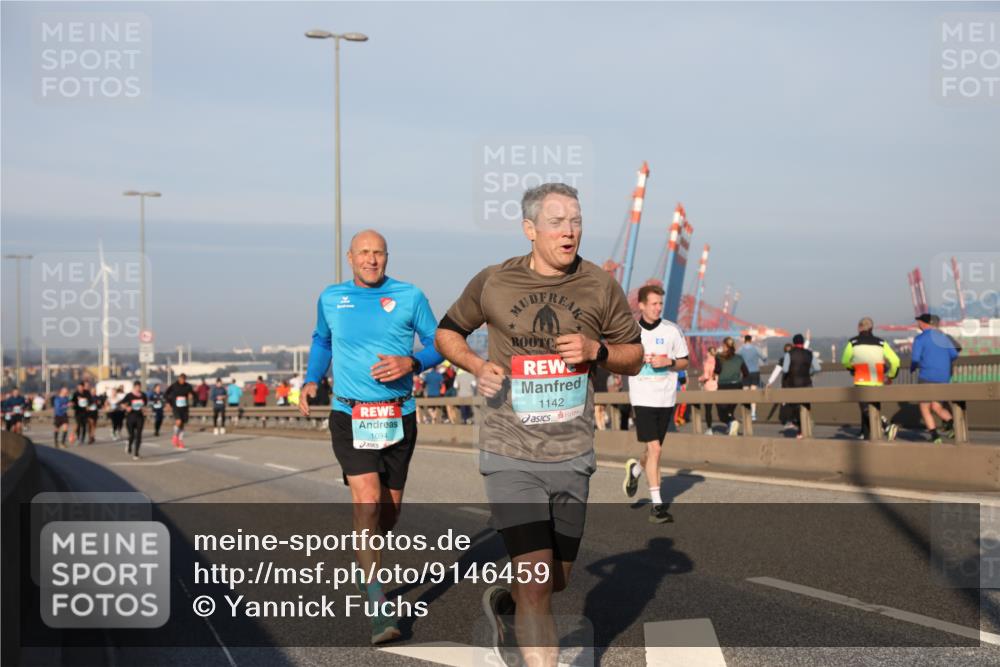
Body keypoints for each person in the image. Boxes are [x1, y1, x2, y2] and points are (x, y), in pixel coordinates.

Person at [435, 183, 643, 667]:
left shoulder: (600, 285)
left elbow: (635, 356)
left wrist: (597, 350)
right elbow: (447, 331)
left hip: (572, 451)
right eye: (556, 222)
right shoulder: (495, 281)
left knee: (556, 579)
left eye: (576, 221)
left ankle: (507, 607)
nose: (569, 231)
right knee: (535, 578)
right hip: (509, 449)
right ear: (530, 229)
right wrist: (476, 364)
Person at [299, 229, 443, 645]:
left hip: (398, 415)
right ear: (350, 257)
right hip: (350, 414)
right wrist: (311, 379)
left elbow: (440, 343)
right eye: (364, 252)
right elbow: (322, 341)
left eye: (378, 252)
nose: (371, 259)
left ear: (387, 256)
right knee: (367, 500)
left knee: (388, 514)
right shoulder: (331, 298)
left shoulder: (410, 295)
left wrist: (412, 362)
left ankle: (367, 558)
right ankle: (379, 604)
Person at [622, 284, 689, 523]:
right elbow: (621, 360)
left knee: (653, 450)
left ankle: (636, 470)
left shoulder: (672, 330)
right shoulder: (630, 332)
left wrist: (667, 361)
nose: (658, 308)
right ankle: (657, 506)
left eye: (660, 303)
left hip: (666, 398)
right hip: (642, 397)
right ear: (641, 305)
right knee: (656, 450)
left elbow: (684, 362)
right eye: (653, 304)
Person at [841, 317, 900, 440]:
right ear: (872, 328)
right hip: (877, 381)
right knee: (874, 408)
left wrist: (853, 368)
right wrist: (890, 376)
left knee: (866, 409)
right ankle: (867, 436)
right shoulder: (881, 343)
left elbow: (845, 361)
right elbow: (895, 361)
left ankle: (886, 426)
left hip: (861, 380)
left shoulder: (853, 342)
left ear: (859, 328)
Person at [911, 313, 958, 443]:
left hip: (927, 376)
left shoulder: (920, 339)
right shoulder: (942, 337)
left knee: (924, 407)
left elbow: (915, 359)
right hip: (943, 377)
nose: (917, 324)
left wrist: (913, 368)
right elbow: (954, 354)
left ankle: (934, 436)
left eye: (919, 321)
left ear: (923, 323)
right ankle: (955, 426)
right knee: (936, 406)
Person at [780, 334, 822, 438]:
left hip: (793, 384)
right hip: (807, 383)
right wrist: (809, 372)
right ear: (802, 342)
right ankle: (807, 428)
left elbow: (785, 370)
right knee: (806, 406)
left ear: (794, 343)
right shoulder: (809, 353)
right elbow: (817, 368)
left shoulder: (789, 354)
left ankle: (800, 430)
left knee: (795, 408)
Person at [714, 337, 749, 435]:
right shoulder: (739, 357)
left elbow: (717, 370)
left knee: (721, 412)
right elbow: (746, 373)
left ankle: (732, 422)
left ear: (725, 346)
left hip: (724, 385)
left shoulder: (719, 357)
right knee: (730, 410)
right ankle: (732, 427)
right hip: (737, 385)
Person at [737, 334, 767, 420]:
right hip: (755, 372)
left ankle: (745, 414)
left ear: (744, 340)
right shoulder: (756, 348)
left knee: (745, 393)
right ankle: (753, 414)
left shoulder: (741, 349)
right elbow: (764, 357)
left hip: (745, 373)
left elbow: (736, 358)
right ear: (751, 340)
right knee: (753, 393)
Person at [164, 373, 195, 449]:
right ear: (178, 379)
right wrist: (168, 403)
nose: (182, 381)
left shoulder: (188, 386)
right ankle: (175, 436)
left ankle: (180, 440)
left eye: (183, 379)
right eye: (180, 379)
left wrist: (192, 396)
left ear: (185, 379)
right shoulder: (174, 385)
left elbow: (194, 394)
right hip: (176, 407)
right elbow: (166, 394)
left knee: (182, 425)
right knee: (178, 421)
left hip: (184, 408)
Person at [123, 381, 148, 460]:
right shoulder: (129, 395)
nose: (138, 389)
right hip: (130, 417)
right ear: (134, 387)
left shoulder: (143, 395)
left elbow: (145, 405)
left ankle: (136, 453)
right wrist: (127, 408)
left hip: (140, 417)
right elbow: (122, 404)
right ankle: (129, 444)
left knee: (139, 435)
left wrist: (144, 409)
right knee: (132, 435)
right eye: (136, 387)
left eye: (139, 387)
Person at [698, 345, 719, 434]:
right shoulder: (717, 361)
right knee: (720, 408)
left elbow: (706, 376)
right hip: (717, 386)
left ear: (708, 353)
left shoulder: (707, 362)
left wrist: (700, 379)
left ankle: (709, 429)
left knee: (708, 410)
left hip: (709, 387)